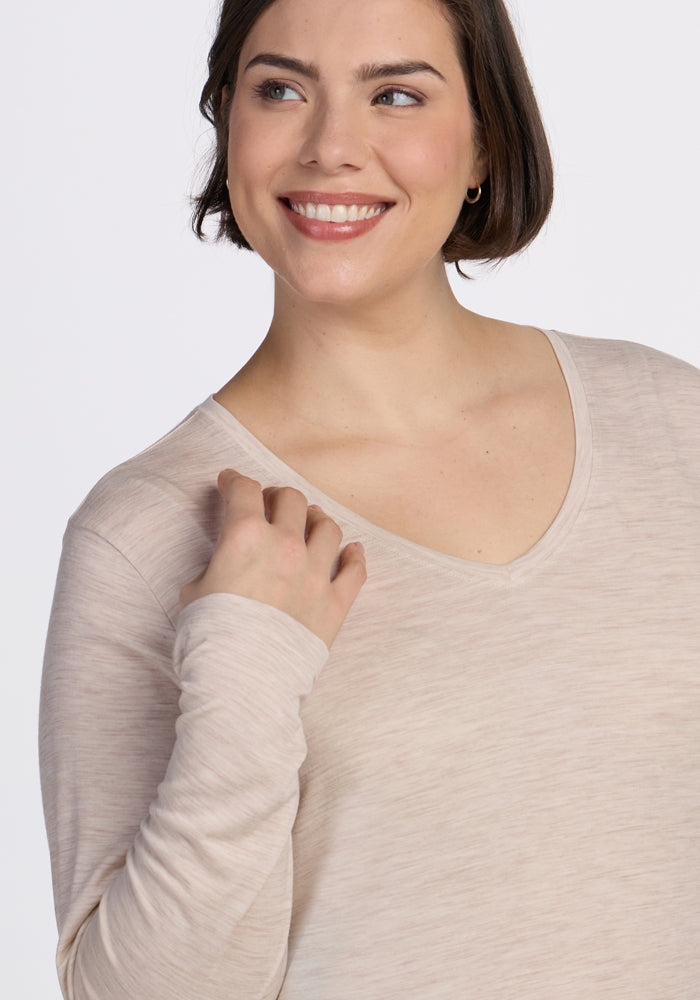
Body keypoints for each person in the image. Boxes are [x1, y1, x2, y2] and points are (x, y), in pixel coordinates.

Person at [39, 0, 700, 996]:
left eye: (395, 94)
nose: (331, 147)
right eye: (280, 90)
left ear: (484, 140)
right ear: (229, 129)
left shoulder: (670, 424)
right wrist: (246, 670)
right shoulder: (146, 532)